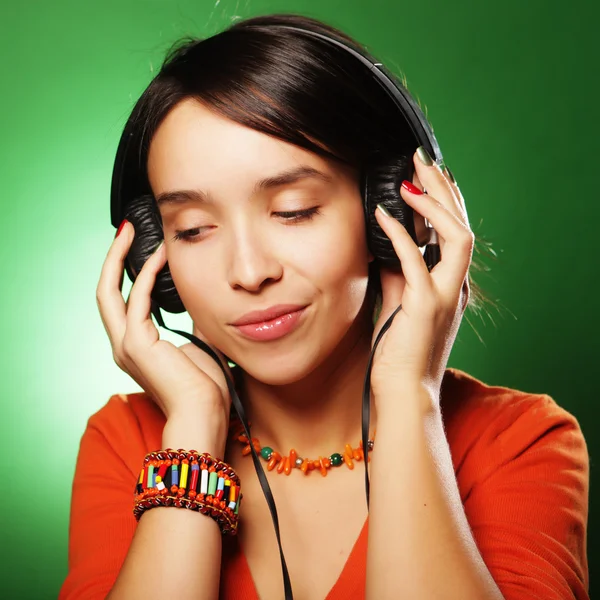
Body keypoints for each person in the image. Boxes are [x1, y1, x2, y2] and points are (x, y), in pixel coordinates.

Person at [59, 12, 589, 600]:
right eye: (193, 229)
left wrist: (407, 393)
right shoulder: (126, 440)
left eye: (294, 211)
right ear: (152, 256)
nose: (249, 272)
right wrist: (193, 424)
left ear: (390, 211)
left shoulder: (519, 441)